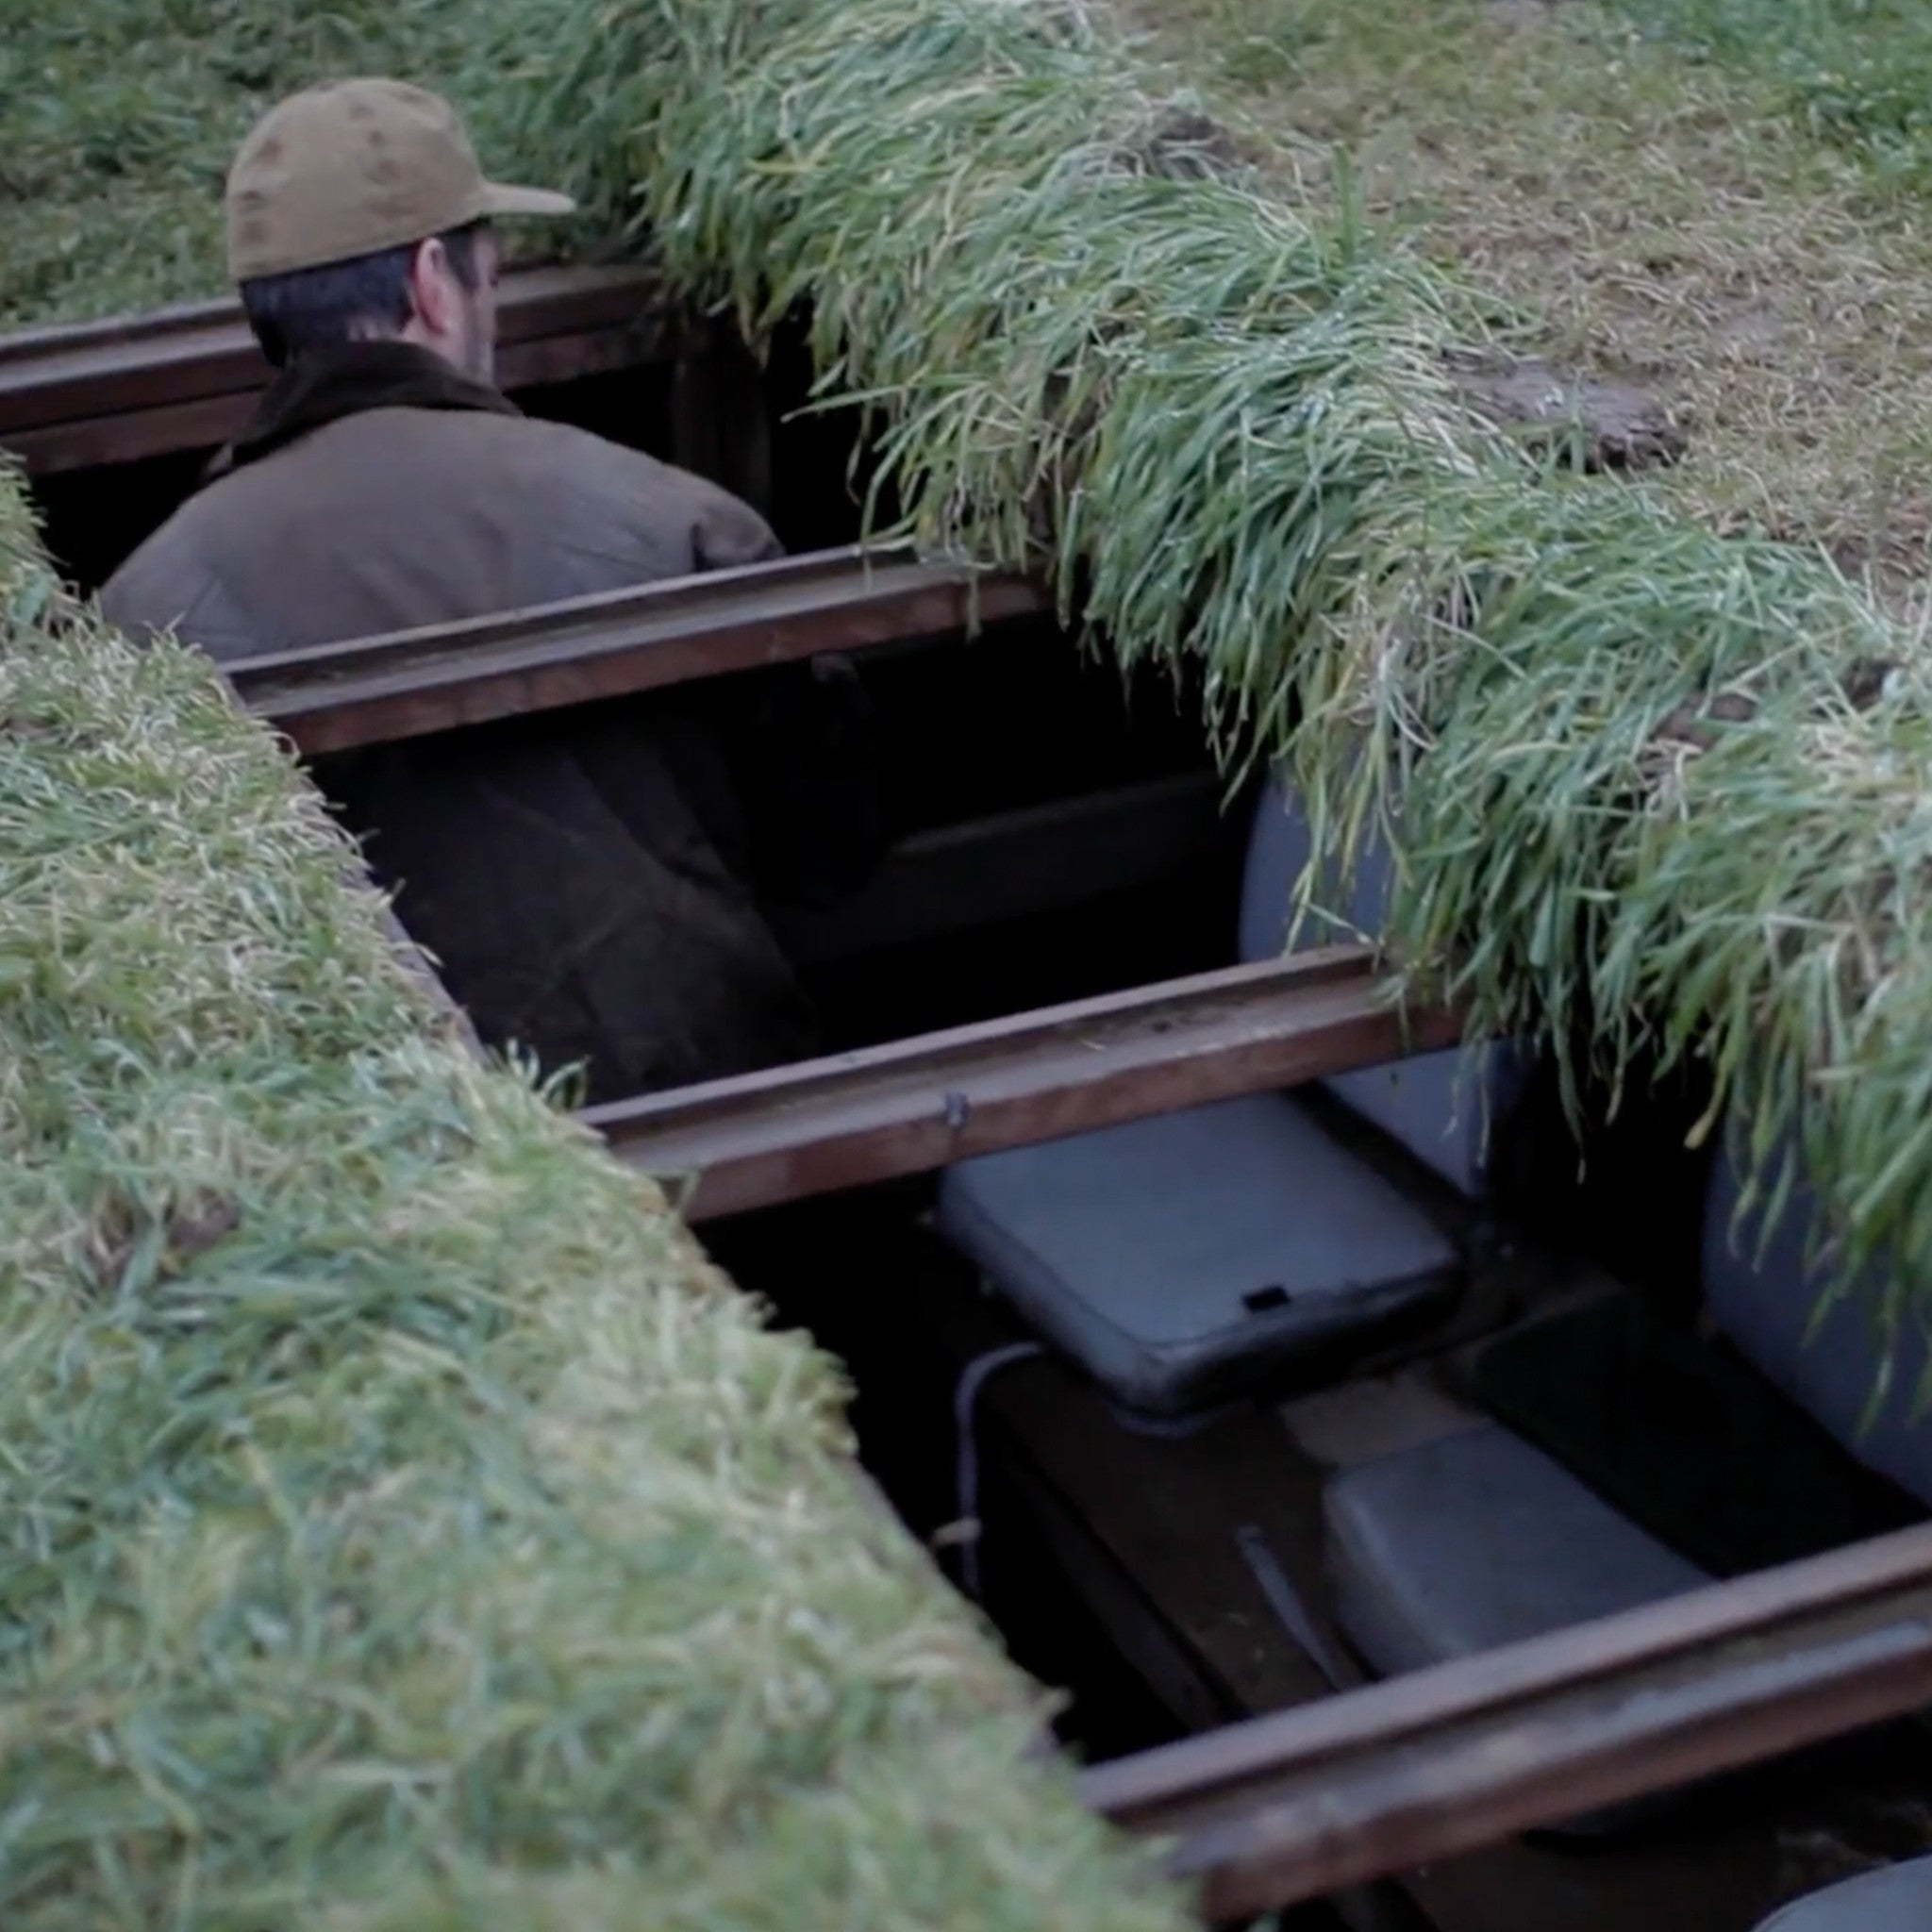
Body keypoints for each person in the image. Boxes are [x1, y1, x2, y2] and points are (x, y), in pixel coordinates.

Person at [104, 79, 876, 1101]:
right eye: (490, 276)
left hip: (381, 1163)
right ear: (435, 281)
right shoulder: (669, 515)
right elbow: (831, 830)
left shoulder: (140, 610)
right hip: (702, 1091)